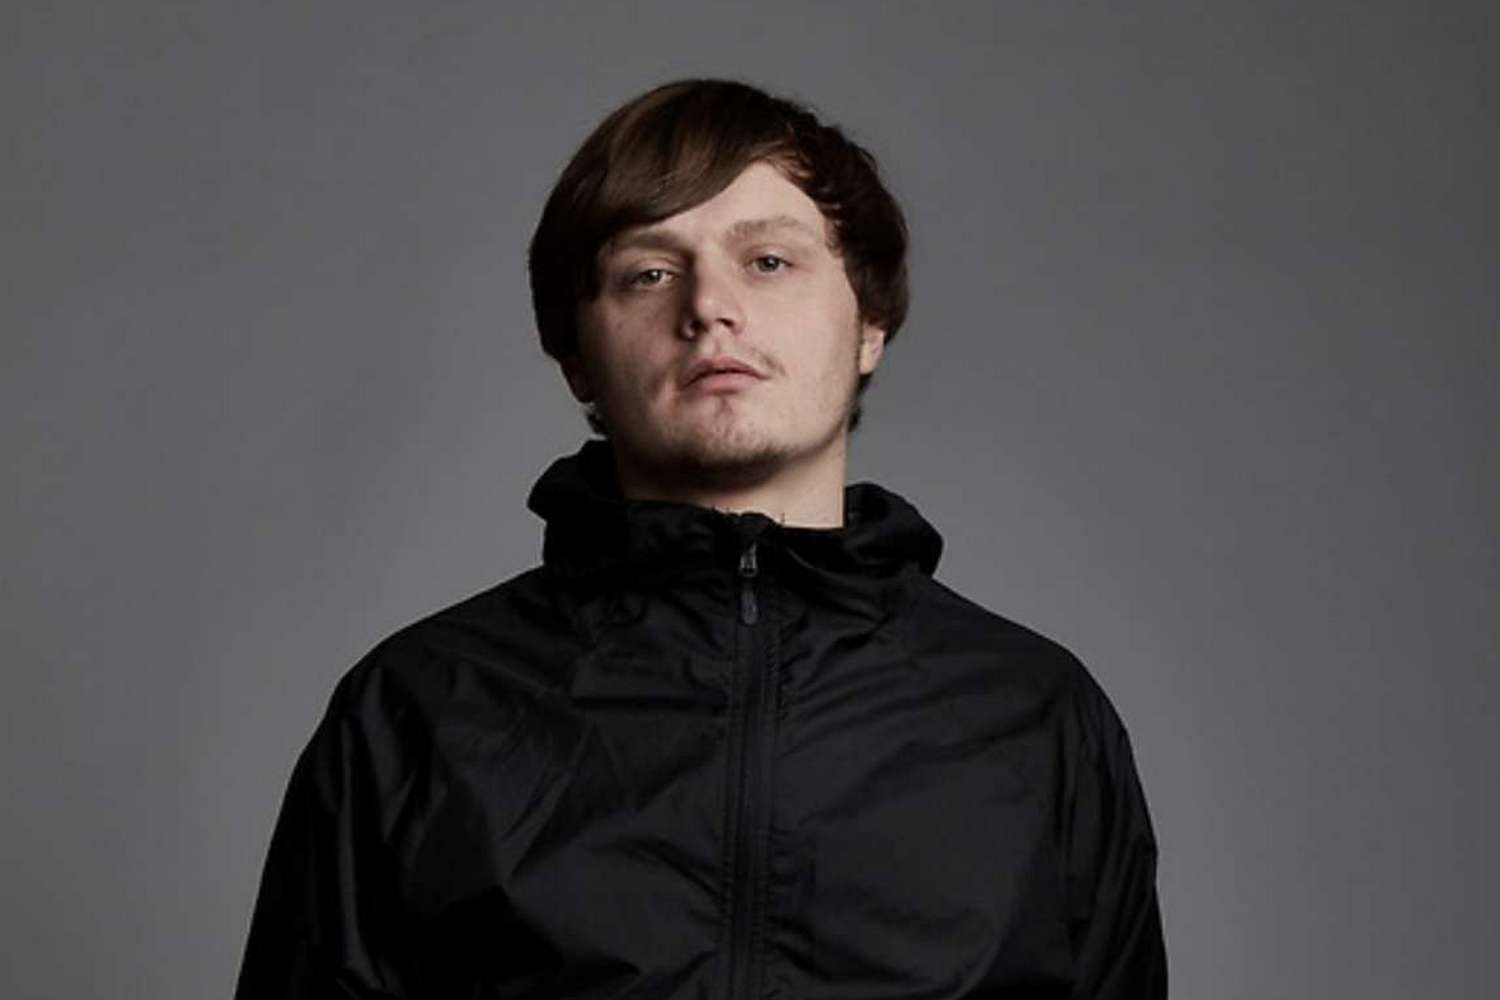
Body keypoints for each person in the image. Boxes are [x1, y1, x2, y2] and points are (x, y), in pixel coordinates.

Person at [235, 78, 1168, 999]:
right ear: (577, 359)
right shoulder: (418, 710)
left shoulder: (1038, 716)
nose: (710, 306)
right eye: (649, 272)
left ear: (869, 324)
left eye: (769, 261)